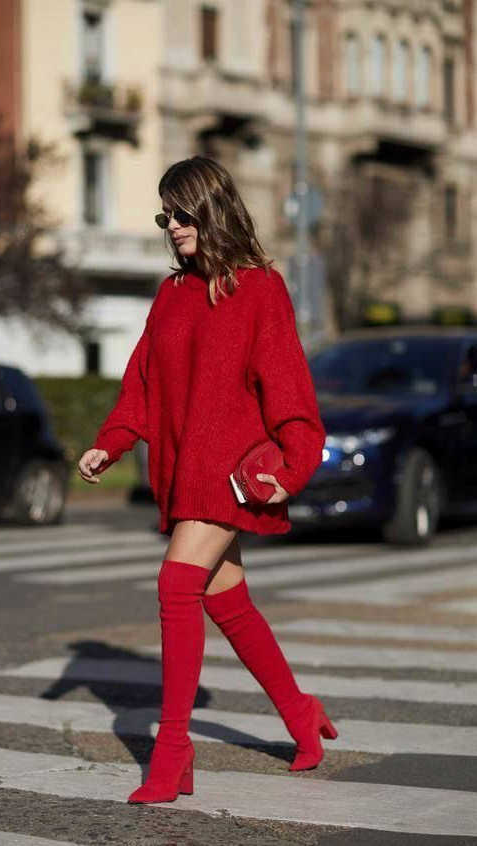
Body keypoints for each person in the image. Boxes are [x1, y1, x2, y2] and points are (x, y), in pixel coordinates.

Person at [78, 156, 335, 805]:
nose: (173, 225)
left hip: (227, 474)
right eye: (166, 214)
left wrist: (293, 464)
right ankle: (301, 713)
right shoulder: (171, 294)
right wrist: (112, 443)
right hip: (182, 469)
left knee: (175, 584)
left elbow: (289, 387)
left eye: (183, 212)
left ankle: (172, 750)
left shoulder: (260, 288)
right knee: (228, 601)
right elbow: (141, 377)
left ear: (212, 208)